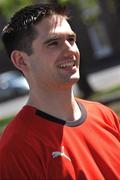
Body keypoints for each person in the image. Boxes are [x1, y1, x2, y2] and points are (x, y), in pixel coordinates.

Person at [0, 2, 120, 179]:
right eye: (53, 43)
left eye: (71, 40)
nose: (70, 50)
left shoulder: (104, 115)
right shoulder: (16, 147)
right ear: (21, 60)